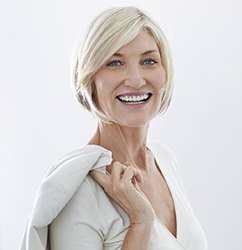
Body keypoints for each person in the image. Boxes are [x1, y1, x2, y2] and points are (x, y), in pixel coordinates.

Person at [20, 6, 207, 250]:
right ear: (89, 78)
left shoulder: (164, 160)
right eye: (115, 63)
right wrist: (140, 222)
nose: (137, 80)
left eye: (149, 60)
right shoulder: (78, 190)